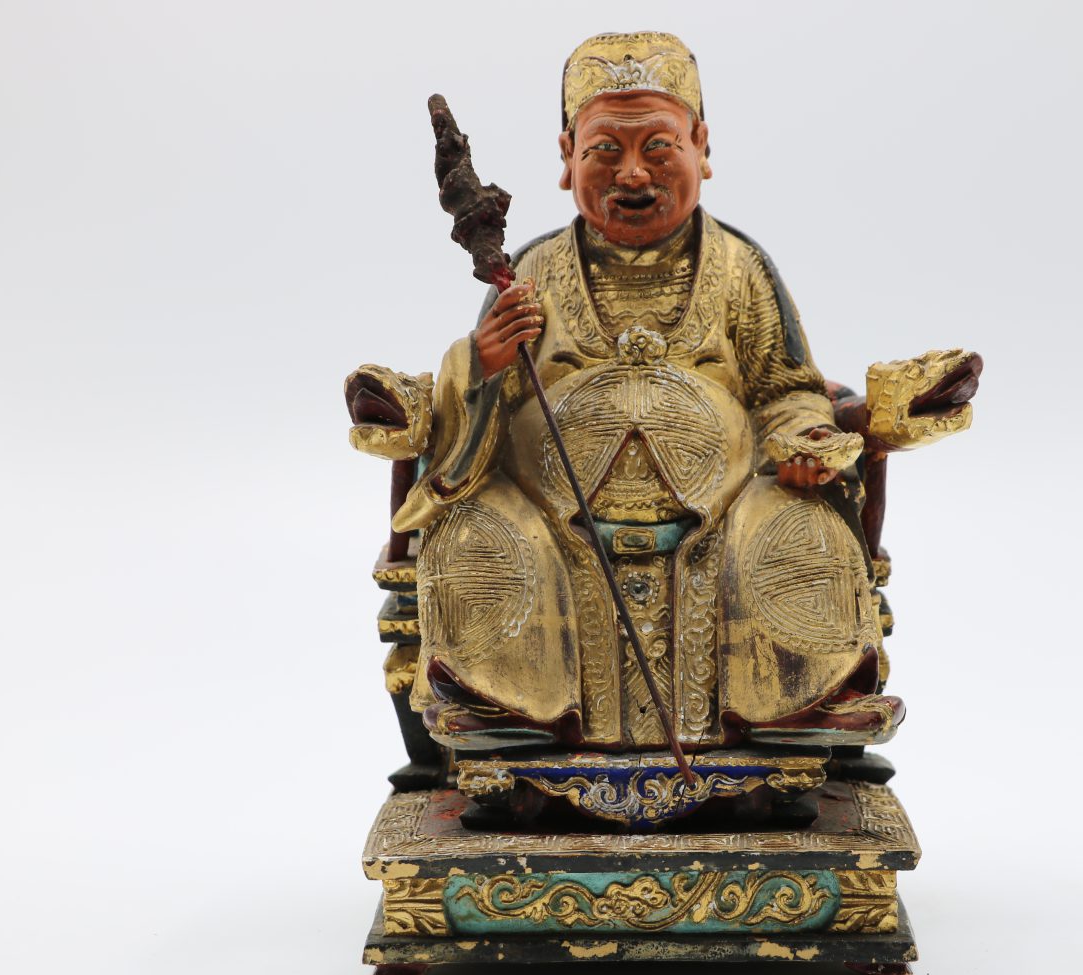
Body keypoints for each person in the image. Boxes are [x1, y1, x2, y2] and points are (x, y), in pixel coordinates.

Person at [355, 32, 901, 752]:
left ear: (701, 146)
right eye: (606, 151)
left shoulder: (740, 268)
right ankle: (504, 707)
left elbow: (786, 390)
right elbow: (476, 417)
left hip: (721, 506)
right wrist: (484, 362)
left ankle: (799, 701)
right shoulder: (532, 272)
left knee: (802, 526)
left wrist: (807, 444)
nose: (634, 174)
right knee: (477, 532)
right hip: (554, 512)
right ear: (567, 157)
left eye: (659, 148)